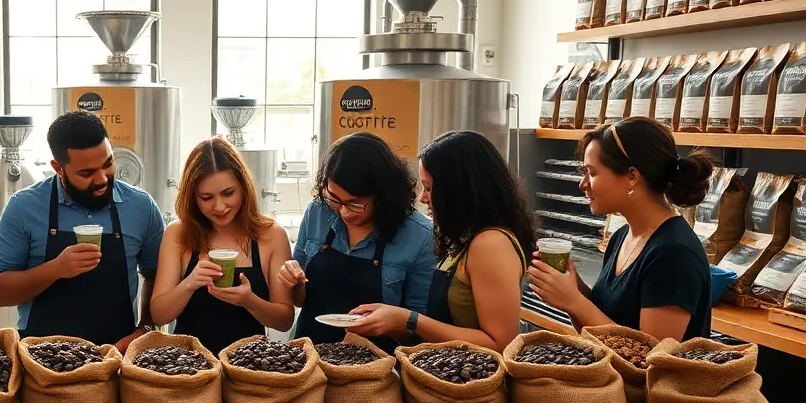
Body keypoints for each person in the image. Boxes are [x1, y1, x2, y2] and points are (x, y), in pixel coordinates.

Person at [0, 111, 165, 351]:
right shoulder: (23, 207)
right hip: (41, 358)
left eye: (108, 163)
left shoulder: (141, 207)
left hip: (116, 355)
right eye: (86, 173)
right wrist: (55, 269)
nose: (101, 179)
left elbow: (157, 276)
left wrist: (146, 328)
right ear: (58, 168)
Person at [527, 117, 714, 342]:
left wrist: (573, 301)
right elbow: (600, 328)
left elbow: (649, 359)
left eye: (592, 173)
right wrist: (573, 288)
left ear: (632, 177)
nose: (582, 184)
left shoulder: (675, 253)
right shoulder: (621, 237)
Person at [347, 131, 535, 351]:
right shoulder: (464, 239)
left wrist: (411, 320)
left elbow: (501, 344)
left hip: (474, 382)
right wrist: (393, 324)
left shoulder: (491, 244)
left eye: (428, 188)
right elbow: (436, 335)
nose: (423, 198)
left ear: (458, 189)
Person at [277, 132, 437, 348]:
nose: (343, 212)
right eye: (334, 199)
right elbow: (300, 299)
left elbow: (419, 334)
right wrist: (293, 283)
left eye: (354, 204)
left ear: (382, 195)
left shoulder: (420, 236)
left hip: (376, 368)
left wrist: (394, 322)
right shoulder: (318, 211)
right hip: (307, 357)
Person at [150, 137, 294, 353]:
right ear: (192, 198)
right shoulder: (178, 233)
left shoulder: (272, 235)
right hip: (189, 367)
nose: (219, 206)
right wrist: (189, 283)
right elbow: (159, 315)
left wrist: (250, 301)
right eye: (206, 197)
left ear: (244, 188)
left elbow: (284, 321)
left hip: (248, 366)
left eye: (228, 194)